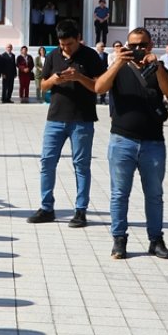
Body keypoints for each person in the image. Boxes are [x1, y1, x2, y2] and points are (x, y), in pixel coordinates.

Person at [94, 29, 168, 260]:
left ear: (150, 46)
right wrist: (118, 63)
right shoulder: (119, 68)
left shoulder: (157, 68)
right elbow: (99, 88)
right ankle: (119, 239)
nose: (137, 50)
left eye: (142, 45)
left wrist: (158, 66)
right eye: (132, 45)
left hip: (153, 142)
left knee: (154, 194)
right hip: (122, 140)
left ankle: (156, 240)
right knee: (119, 194)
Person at [28, 19, 105, 228]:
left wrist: (79, 77)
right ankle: (46, 208)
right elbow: (43, 86)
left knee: (81, 165)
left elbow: (100, 87)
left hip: (82, 120)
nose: (65, 48)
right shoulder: (53, 55)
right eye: (62, 44)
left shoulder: (91, 56)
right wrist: (54, 80)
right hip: (55, 118)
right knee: (47, 163)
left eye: (69, 44)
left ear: (78, 38)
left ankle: (80, 211)